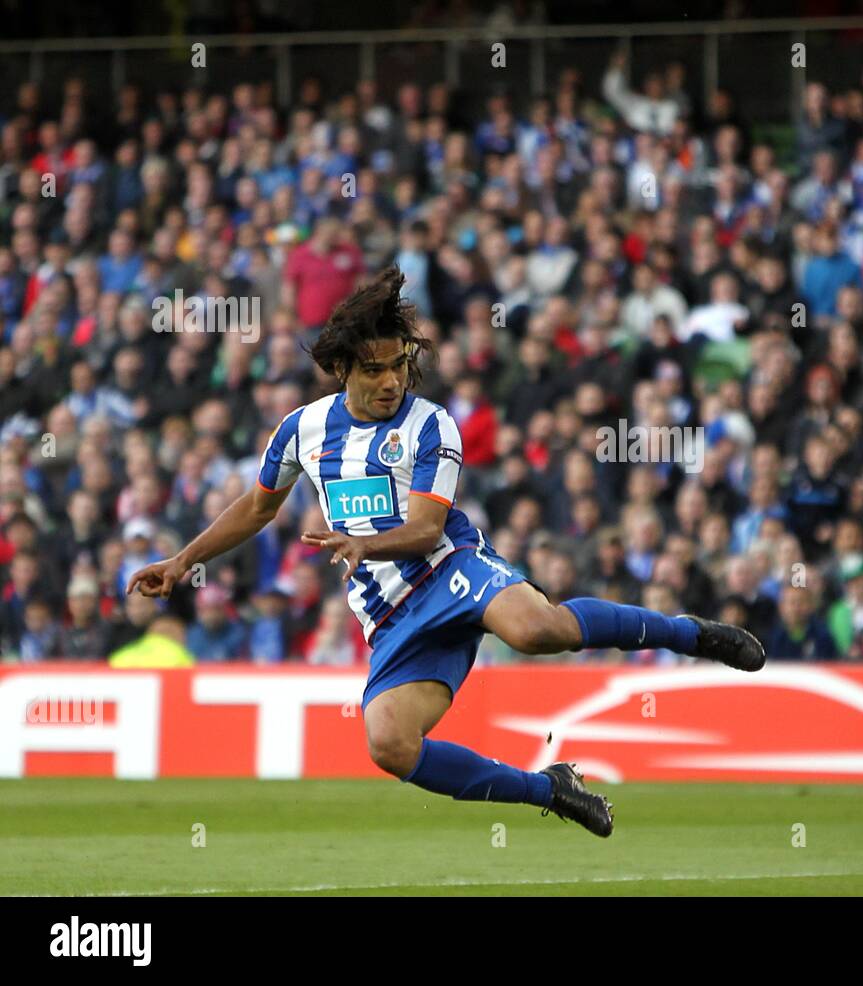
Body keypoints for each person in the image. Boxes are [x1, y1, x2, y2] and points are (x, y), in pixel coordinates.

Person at [128, 268, 765, 839]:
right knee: (391, 745)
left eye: (398, 366)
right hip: (392, 616)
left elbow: (429, 529)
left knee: (538, 629)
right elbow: (258, 506)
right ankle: (552, 789)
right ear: (344, 367)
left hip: (451, 567)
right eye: (374, 369)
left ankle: (690, 634)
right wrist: (182, 561)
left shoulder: (432, 425)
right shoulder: (303, 428)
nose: (389, 381)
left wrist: (363, 541)